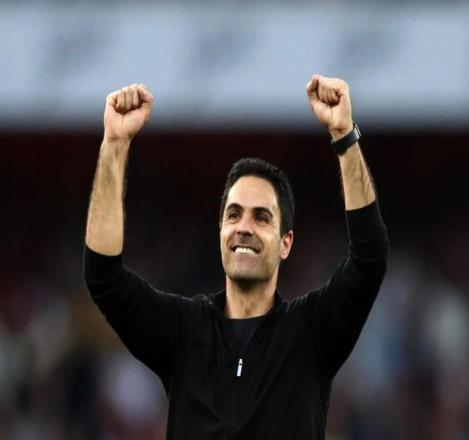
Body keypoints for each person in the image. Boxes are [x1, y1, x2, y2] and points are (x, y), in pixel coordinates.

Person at [83, 75, 389, 439]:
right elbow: (104, 277)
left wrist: (344, 136)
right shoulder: (184, 333)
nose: (244, 227)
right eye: (233, 214)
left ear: (286, 243)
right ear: (221, 233)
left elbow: (369, 259)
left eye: (261, 217)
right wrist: (115, 144)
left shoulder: (311, 332)